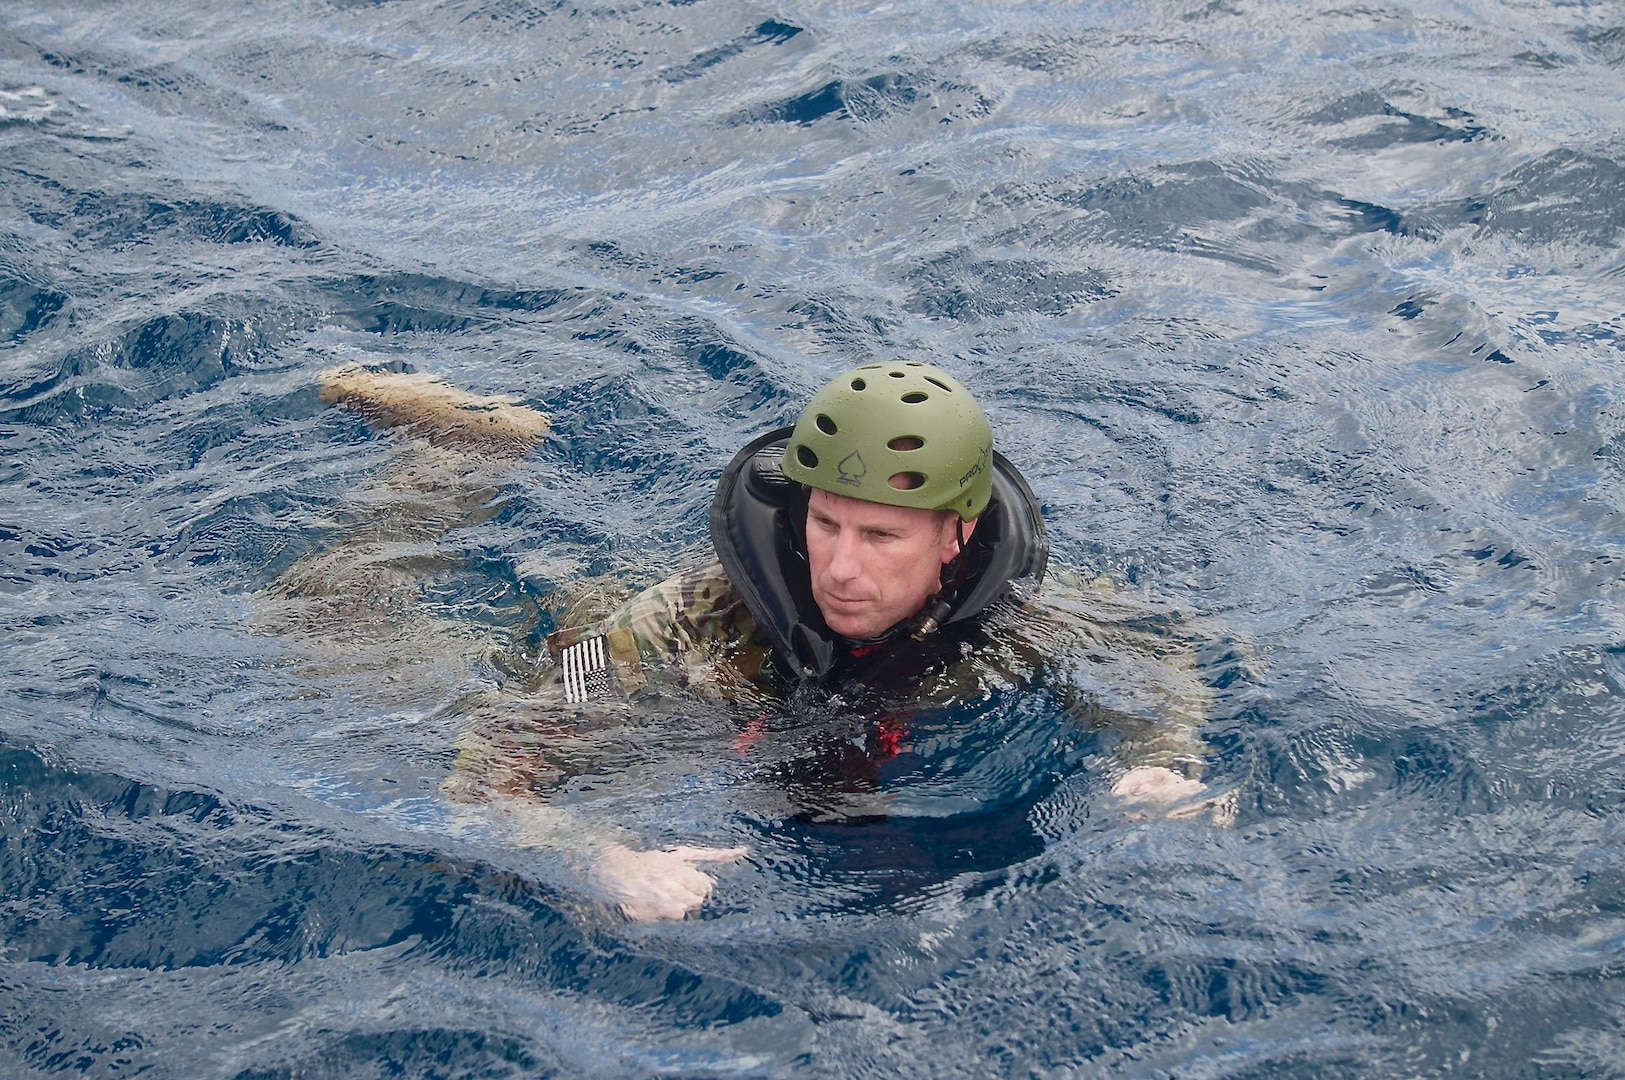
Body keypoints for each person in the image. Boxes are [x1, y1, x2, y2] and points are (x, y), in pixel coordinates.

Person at [420, 361, 1234, 921]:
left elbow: (1163, 655)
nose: (839, 569)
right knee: (336, 635)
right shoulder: (673, 622)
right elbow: (489, 775)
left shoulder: (1024, 615)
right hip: (591, 660)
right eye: (824, 524)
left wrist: (1163, 759)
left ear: (954, 537)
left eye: (880, 537)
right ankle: (447, 460)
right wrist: (596, 857)